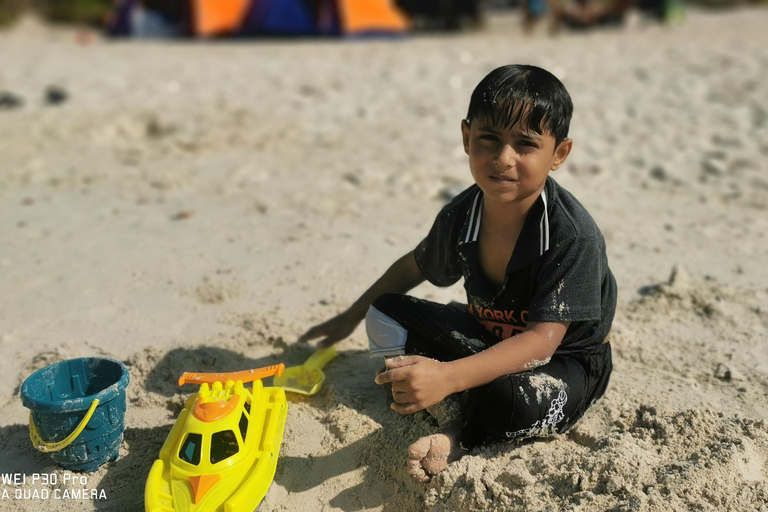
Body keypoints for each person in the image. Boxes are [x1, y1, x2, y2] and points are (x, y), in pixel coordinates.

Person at [299, 65, 616, 482]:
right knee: (384, 313)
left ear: (558, 154)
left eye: (525, 145)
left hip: (562, 363)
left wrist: (447, 376)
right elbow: (413, 266)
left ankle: (459, 430)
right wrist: (350, 317)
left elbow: (542, 342)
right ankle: (454, 398)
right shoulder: (463, 213)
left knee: (510, 401)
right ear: (467, 138)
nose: (504, 159)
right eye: (489, 140)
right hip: (487, 337)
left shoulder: (570, 234)